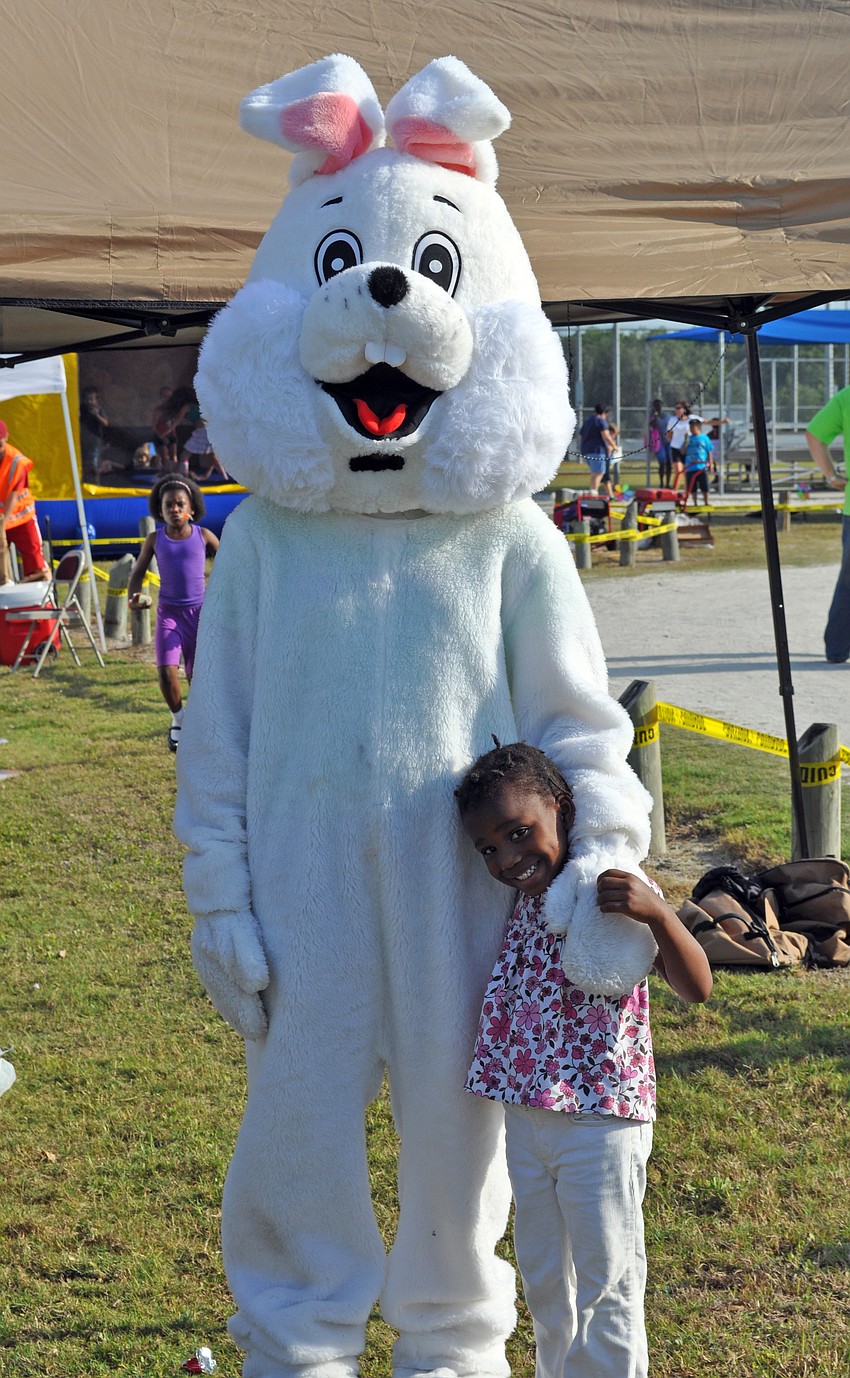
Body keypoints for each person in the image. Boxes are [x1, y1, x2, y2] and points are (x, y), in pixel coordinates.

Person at [456, 740, 712, 1378]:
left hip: (601, 1118)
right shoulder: (525, 899)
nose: (508, 858)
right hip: (527, 1118)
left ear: (563, 810)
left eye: (520, 833)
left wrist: (658, 913)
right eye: (489, 848)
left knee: (608, 1278)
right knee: (544, 1275)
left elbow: (698, 986)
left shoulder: (611, 888)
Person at [128, 476, 219, 750]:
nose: (175, 510)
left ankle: (205, 725)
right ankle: (178, 719)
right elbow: (138, 572)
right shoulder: (155, 539)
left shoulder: (203, 535)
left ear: (192, 508)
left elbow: (230, 561)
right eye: (169, 505)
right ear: (160, 509)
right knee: (167, 672)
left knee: (197, 676)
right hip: (169, 614)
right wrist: (134, 596)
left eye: (181, 504)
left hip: (200, 615)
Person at [806, 387, 850, 663]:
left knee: (849, 582)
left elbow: (814, 435)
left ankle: (837, 647)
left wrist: (831, 475)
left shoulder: (847, 397)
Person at [0, 420, 50, 582]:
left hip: (21, 518)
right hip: (2, 519)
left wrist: (1, 526)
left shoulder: (16, 461)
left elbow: (12, 497)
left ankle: (41, 598)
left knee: (36, 562)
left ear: (6, 437)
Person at [578, 403, 614, 494]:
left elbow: (580, 436)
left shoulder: (588, 421)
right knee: (599, 473)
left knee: (595, 474)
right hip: (598, 451)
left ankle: (592, 493)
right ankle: (593, 494)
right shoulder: (601, 420)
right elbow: (606, 435)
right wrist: (614, 446)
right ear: (604, 413)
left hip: (586, 451)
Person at [682, 416, 715, 506]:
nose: (692, 429)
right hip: (690, 466)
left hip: (702, 466)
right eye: (691, 427)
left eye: (694, 427)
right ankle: (695, 502)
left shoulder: (704, 438)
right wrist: (686, 441)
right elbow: (683, 451)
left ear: (698, 427)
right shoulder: (689, 438)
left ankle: (706, 502)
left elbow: (709, 451)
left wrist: (711, 464)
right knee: (692, 486)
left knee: (704, 485)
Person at [79, 386, 109, 478]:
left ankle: (97, 482)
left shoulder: (99, 409)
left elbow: (105, 423)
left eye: (92, 399)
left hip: (95, 441)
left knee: (94, 463)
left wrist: (96, 415)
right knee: (83, 462)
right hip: (84, 439)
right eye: (87, 399)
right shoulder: (82, 408)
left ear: (97, 400)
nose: (89, 402)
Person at [646, 398, 672, 487]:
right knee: (662, 462)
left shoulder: (666, 416)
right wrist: (655, 416)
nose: (658, 408)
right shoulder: (652, 417)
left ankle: (668, 484)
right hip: (659, 442)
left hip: (668, 441)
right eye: (656, 406)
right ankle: (661, 483)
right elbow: (652, 426)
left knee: (669, 462)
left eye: (659, 406)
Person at [665, 400, 691, 491]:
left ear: (685, 409)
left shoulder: (691, 419)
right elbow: (668, 433)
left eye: (679, 408)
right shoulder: (673, 420)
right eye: (676, 408)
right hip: (676, 448)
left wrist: (722, 421)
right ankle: (674, 492)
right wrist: (674, 442)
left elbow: (706, 422)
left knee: (687, 472)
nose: (676, 410)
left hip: (688, 449)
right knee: (678, 471)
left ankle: (687, 493)